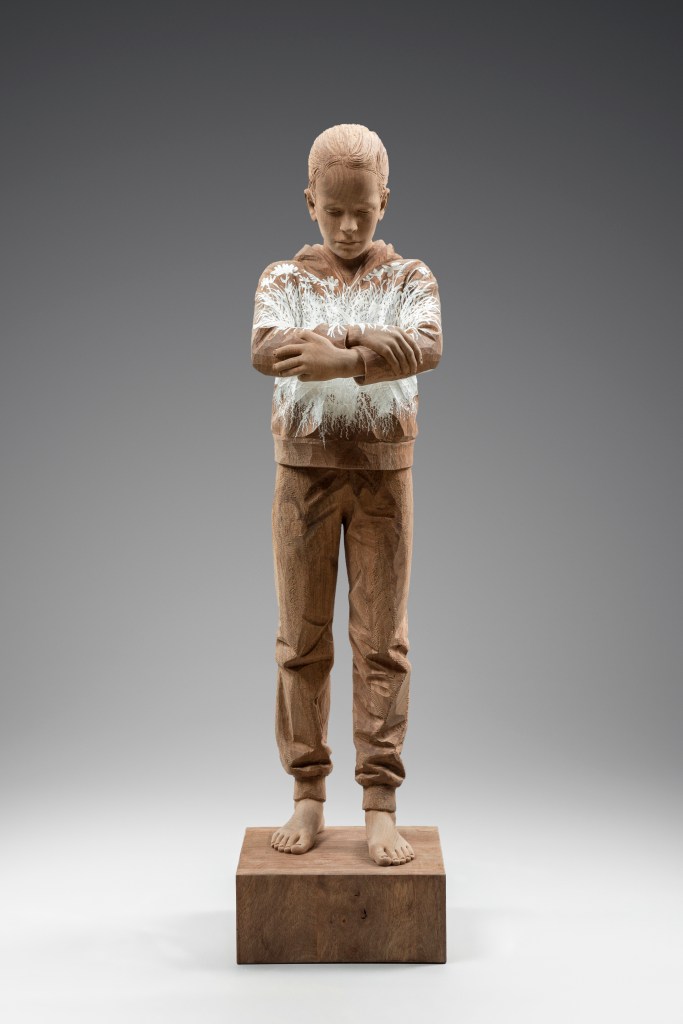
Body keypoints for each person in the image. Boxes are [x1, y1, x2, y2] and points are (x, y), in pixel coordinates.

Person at [250, 123, 442, 866]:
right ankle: (307, 791)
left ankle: (380, 803)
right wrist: (370, 349)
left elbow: (426, 344)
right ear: (310, 202)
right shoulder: (283, 278)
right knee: (300, 639)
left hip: (384, 476)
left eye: (363, 210)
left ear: (384, 201)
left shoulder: (411, 277)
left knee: (381, 642)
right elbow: (268, 347)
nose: (350, 226)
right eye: (334, 211)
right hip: (302, 474)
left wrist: (339, 357)